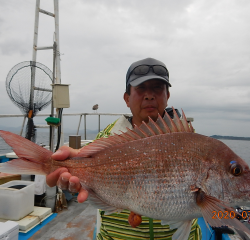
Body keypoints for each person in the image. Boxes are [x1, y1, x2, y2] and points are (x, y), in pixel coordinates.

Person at [46, 57, 201, 239]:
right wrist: (60, 171)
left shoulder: (188, 140)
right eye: (140, 88)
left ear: (167, 96)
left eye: (158, 88)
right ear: (127, 98)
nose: (149, 95)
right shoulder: (107, 137)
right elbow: (76, 165)